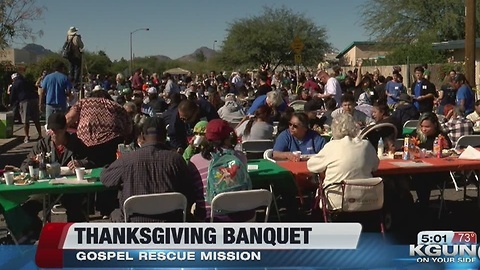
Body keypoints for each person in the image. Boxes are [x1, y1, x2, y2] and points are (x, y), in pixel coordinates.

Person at [101, 117, 197, 222]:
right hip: (170, 224)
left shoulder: (127, 160)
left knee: (115, 213)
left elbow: (106, 179)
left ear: (142, 136)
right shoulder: (177, 160)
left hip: (135, 223)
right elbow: (190, 192)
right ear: (165, 136)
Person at [65, 87, 132, 218]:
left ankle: (87, 206)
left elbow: (69, 118)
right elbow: (128, 127)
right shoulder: (116, 105)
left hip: (85, 141)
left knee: (86, 170)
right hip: (110, 140)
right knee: (108, 169)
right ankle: (106, 208)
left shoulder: (84, 102)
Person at [21, 113, 95, 225]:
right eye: (52, 129)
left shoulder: (76, 144)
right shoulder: (42, 145)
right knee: (27, 208)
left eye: (57, 130)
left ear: (65, 128)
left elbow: (91, 162)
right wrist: (33, 162)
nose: (54, 133)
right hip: (46, 188)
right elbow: (25, 166)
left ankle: (73, 237)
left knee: (76, 209)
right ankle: (38, 232)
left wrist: (80, 163)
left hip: (71, 188)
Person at [307, 113, 379, 210]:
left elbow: (311, 165)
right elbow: (375, 166)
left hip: (336, 200)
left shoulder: (332, 146)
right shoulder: (366, 145)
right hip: (365, 200)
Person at [188, 119, 253, 221]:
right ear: (227, 138)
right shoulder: (240, 157)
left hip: (210, 218)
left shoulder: (194, 160)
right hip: (242, 217)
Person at [410, 113, 452, 207]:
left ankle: (423, 207)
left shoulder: (441, 136)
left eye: (427, 126)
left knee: (422, 179)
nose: (424, 129)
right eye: (422, 126)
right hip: (417, 168)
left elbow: (448, 151)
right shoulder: (416, 135)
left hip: (437, 170)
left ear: (435, 125)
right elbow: (408, 149)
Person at [9, 73, 43, 143]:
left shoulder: (15, 84)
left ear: (13, 79)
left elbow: (13, 96)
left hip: (24, 101)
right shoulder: (27, 81)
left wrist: (11, 103)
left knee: (25, 120)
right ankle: (40, 135)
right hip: (34, 100)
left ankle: (27, 136)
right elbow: (35, 88)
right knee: (36, 119)